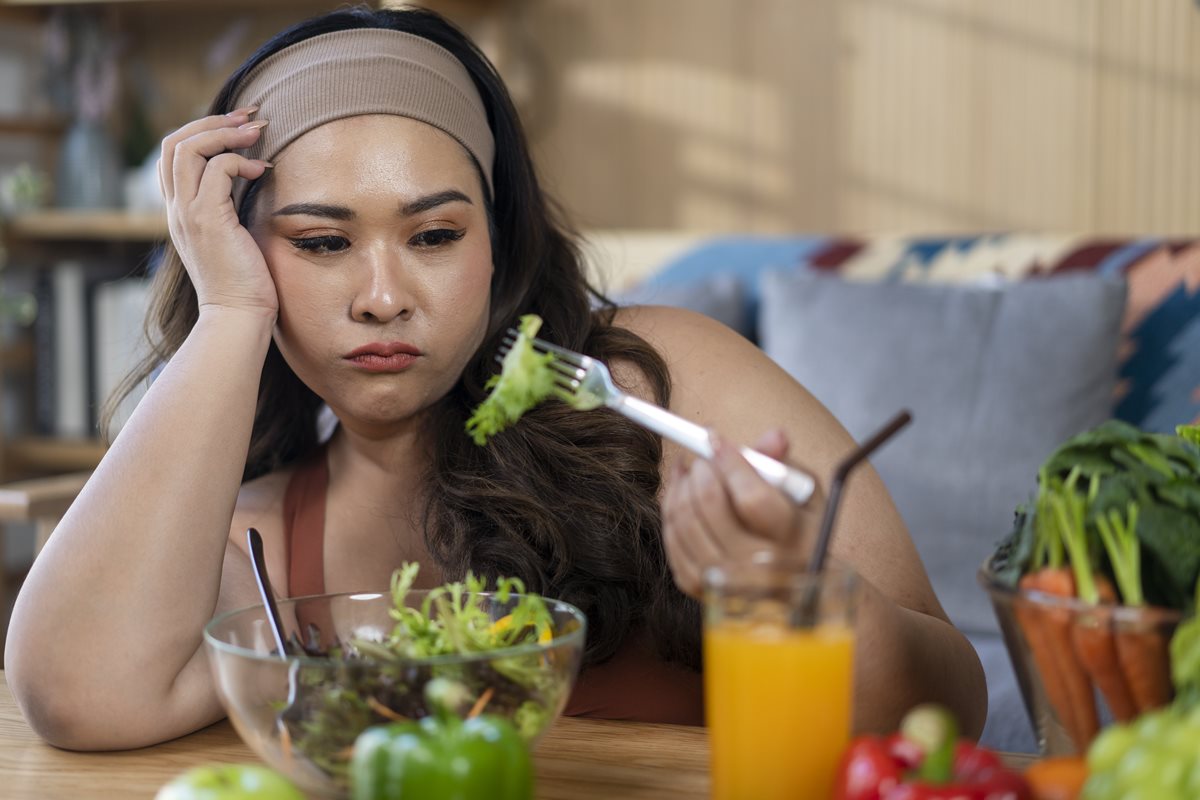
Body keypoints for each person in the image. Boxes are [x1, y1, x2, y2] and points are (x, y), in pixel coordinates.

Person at [6, 5, 985, 750]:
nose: (383, 295)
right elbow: (74, 692)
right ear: (248, 253)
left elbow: (953, 706)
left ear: (498, 245)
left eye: (434, 234)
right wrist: (228, 315)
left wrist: (794, 592)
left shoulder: (656, 379)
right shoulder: (251, 542)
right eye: (319, 241)